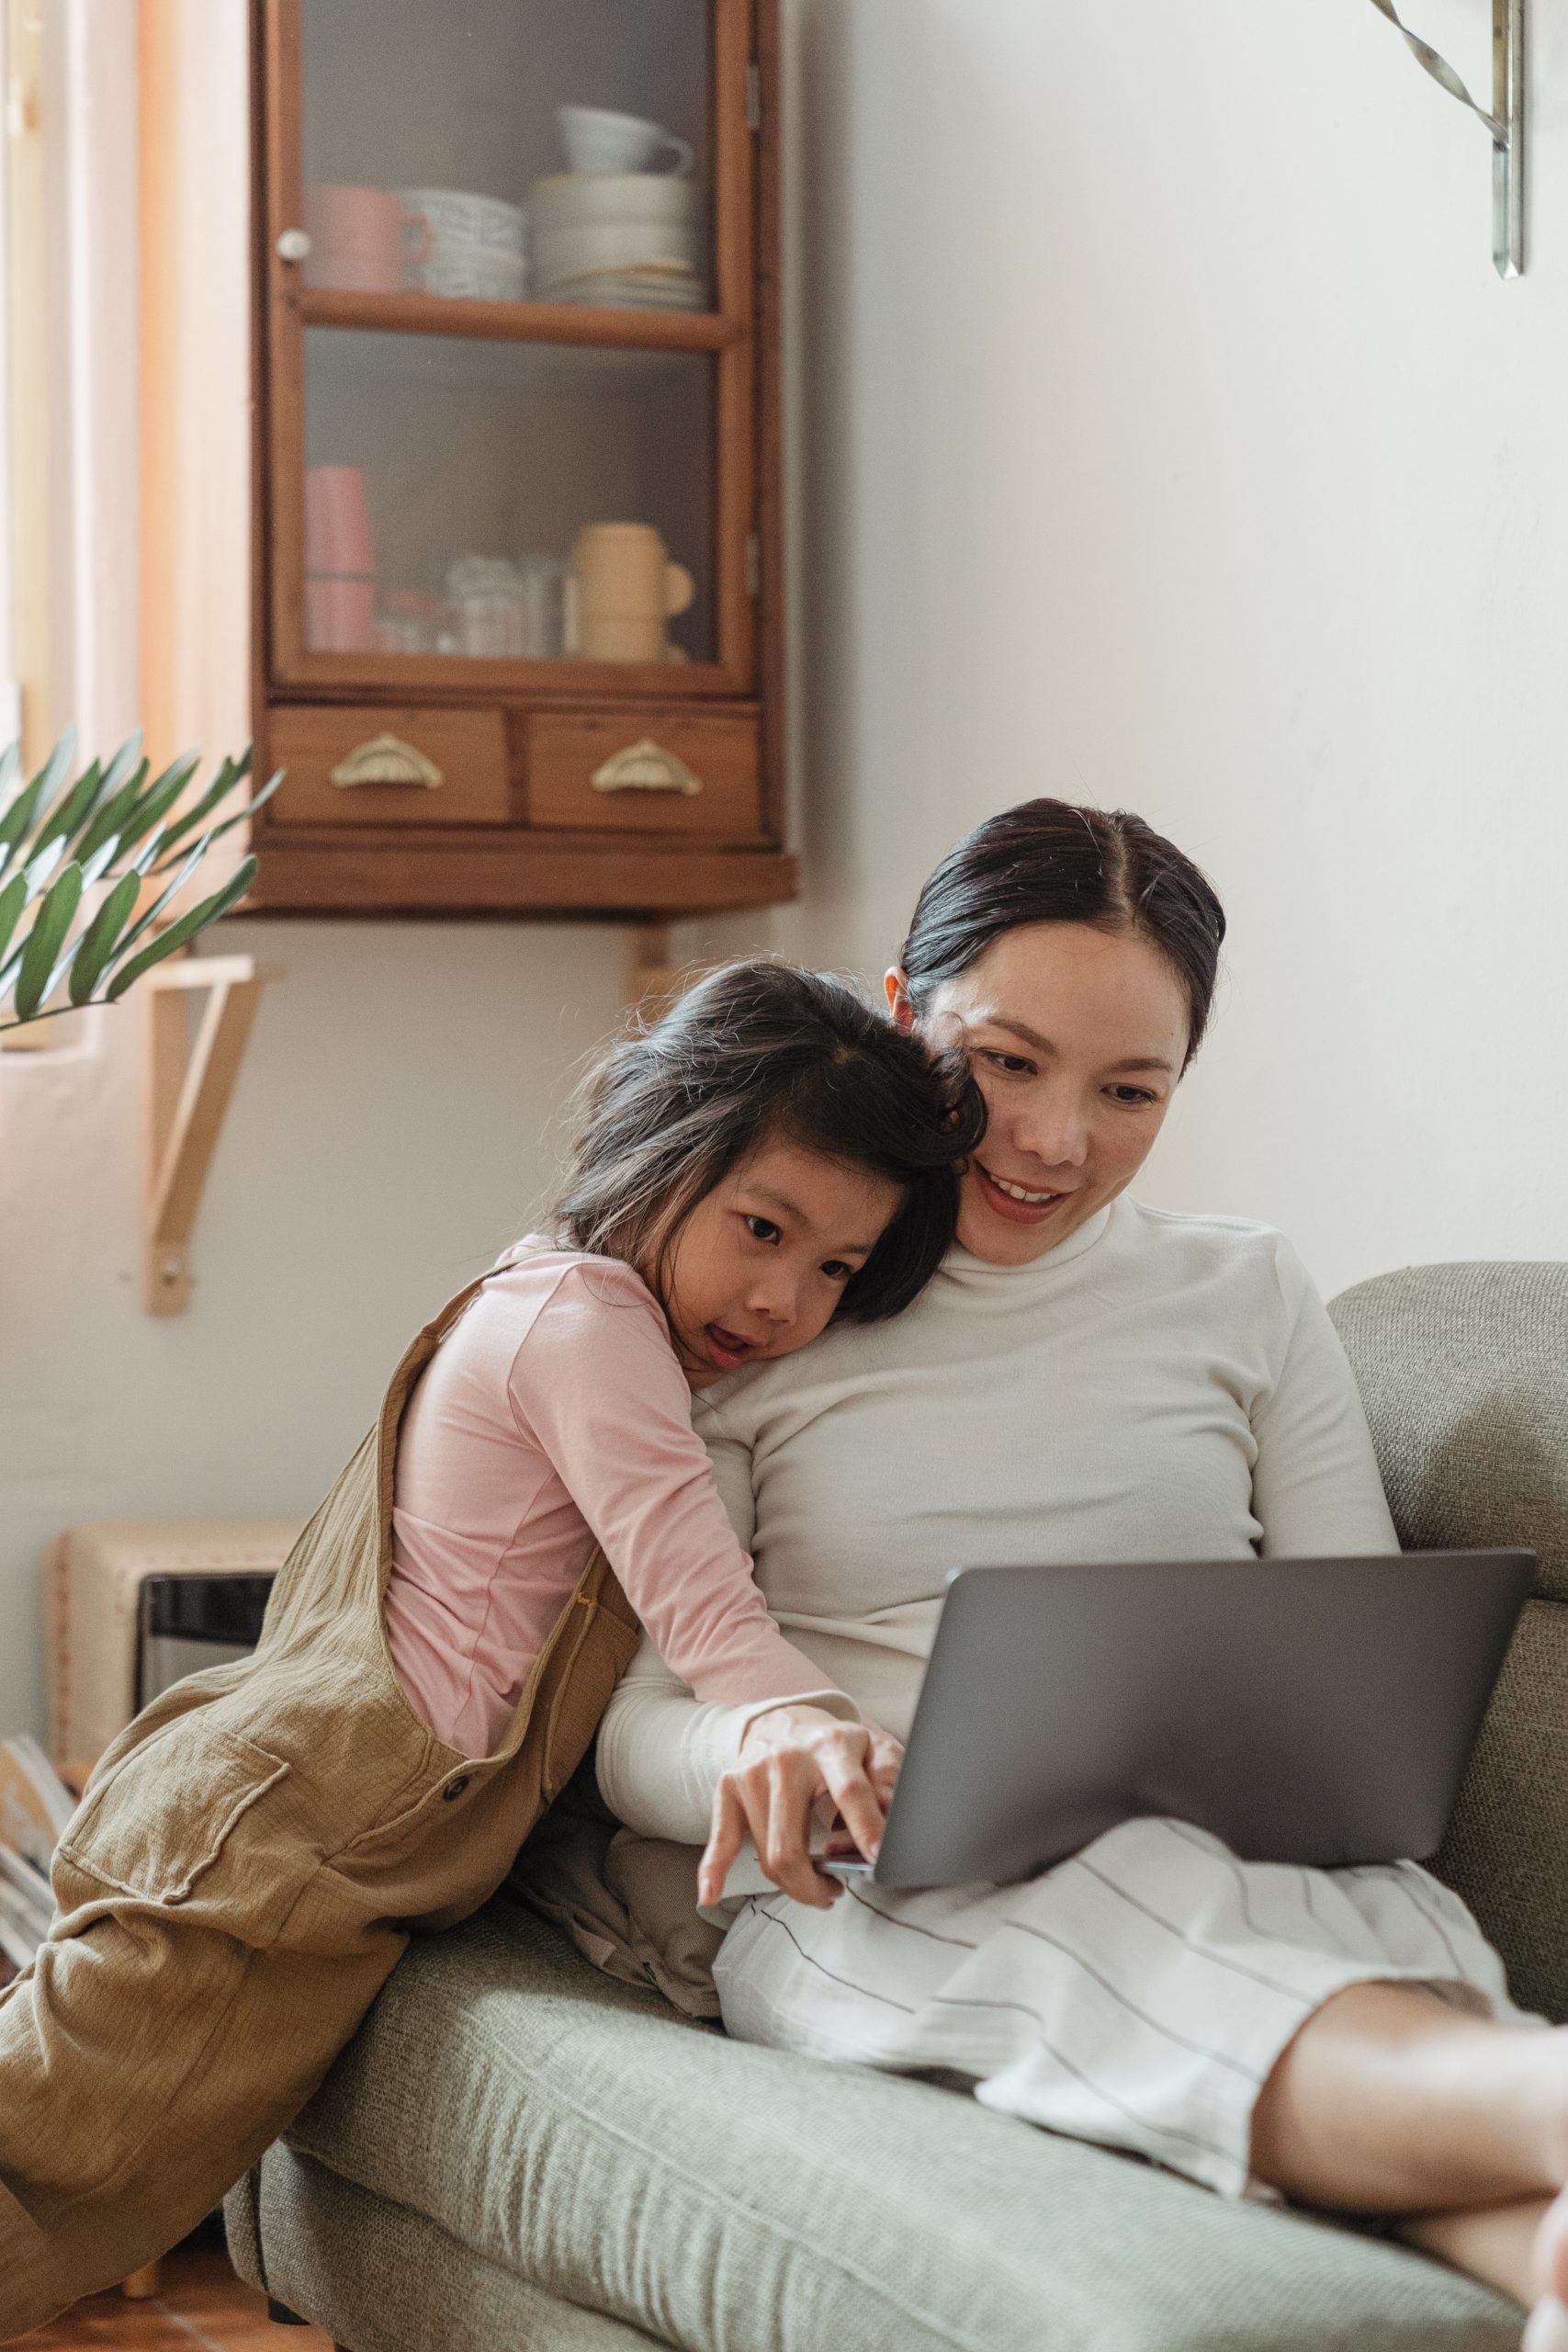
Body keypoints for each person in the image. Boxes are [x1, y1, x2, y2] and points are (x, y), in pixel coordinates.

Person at [595, 802, 1568, 2345]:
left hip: (1257, 1858)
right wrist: (768, 1740)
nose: (1058, 1141)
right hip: (885, 1886)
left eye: (1132, 1091)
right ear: (905, 1017)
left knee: (1282, 1909)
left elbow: (1362, 1653)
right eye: (1008, 1062)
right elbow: (637, 1718)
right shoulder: (776, 1303)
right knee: (1127, 1907)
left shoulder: (1244, 1291)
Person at [0, 959, 982, 2335]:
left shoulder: (544, 1298)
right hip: (286, 1845)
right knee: (48, 2167)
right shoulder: (589, 1328)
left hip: (301, 1839)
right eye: (762, 1228)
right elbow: (699, 1598)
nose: (783, 1302)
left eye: (835, 1268)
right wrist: (813, 1725)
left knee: (72, 2177)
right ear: (659, 1148)